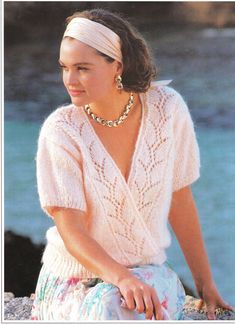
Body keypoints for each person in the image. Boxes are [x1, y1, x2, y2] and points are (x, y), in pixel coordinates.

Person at [31, 8, 233, 321]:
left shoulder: (167, 109)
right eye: (64, 67)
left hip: (146, 273)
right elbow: (69, 228)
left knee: (127, 307)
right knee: (112, 307)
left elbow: (180, 199)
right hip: (75, 280)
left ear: (118, 66)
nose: (69, 80)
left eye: (82, 68)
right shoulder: (61, 130)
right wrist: (121, 278)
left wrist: (205, 284)